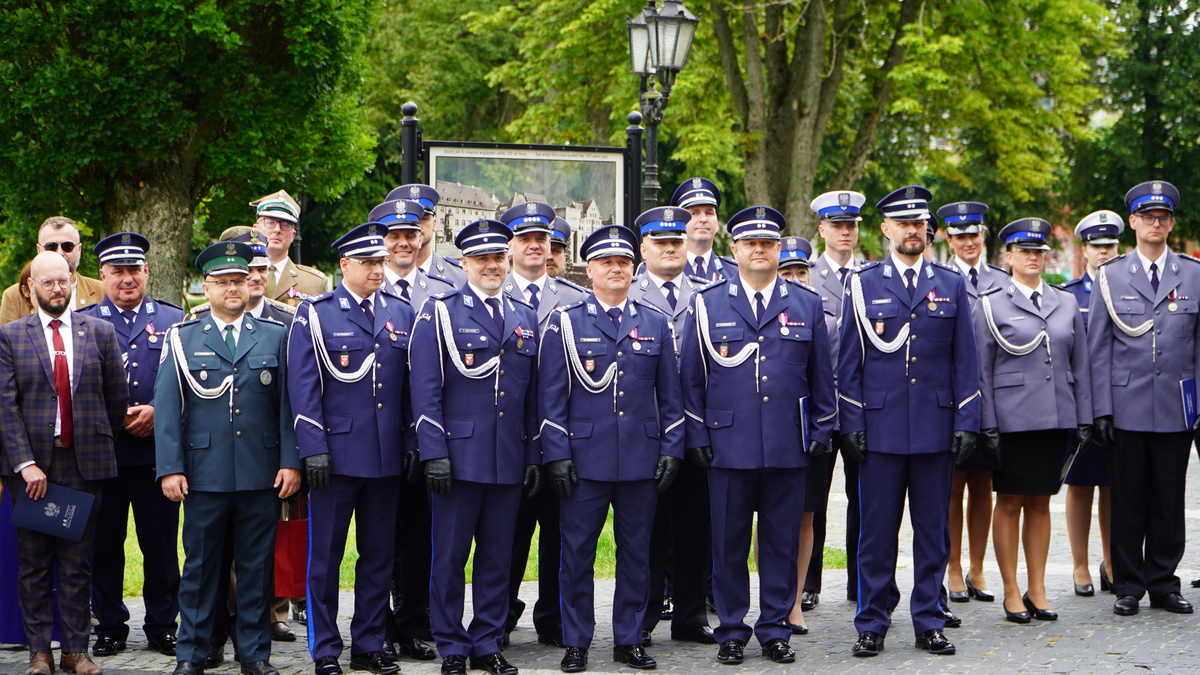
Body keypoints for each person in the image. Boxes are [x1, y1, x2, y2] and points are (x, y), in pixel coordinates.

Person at [680, 206, 836, 666]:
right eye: (750, 243)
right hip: (728, 444)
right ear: (735, 250)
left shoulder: (805, 303)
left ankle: (774, 628)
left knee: (780, 543)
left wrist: (821, 428)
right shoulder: (708, 303)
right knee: (728, 543)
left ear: (779, 249)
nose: (759, 250)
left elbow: (821, 376)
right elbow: (691, 377)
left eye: (768, 243)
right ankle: (731, 629)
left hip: (788, 443)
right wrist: (697, 434)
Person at [838, 186, 980, 657]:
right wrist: (852, 421)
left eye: (918, 223)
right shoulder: (863, 284)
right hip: (879, 429)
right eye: (903, 223)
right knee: (876, 534)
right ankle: (872, 622)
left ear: (928, 230)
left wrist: (966, 419)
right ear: (886, 229)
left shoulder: (951, 284)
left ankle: (929, 620)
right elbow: (848, 362)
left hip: (935, 427)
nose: (912, 231)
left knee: (933, 533)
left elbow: (965, 359)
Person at [541, 225, 683, 673]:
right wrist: (557, 453)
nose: (616, 269)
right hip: (584, 459)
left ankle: (629, 638)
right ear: (590, 270)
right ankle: (576, 641)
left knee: (637, 553)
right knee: (576, 555)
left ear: (633, 269)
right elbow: (551, 398)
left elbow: (671, 397)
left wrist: (672, 448)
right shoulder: (567, 321)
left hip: (641, 457)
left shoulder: (655, 322)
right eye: (606, 262)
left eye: (623, 262)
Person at [155, 241, 301, 675]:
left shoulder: (275, 335)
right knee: (200, 569)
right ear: (206, 287)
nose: (233, 288)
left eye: (240, 280)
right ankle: (192, 653)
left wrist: (290, 461)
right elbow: (168, 410)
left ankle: (254, 654)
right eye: (223, 282)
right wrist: (170, 468)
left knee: (257, 568)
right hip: (204, 474)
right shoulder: (183, 337)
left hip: (261, 472)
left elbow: (288, 407)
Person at [408, 219, 541, 675]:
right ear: (463, 262)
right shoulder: (440, 312)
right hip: (457, 457)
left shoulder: (524, 316)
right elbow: (425, 391)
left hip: (507, 457)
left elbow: (530, 397)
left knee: (498, 558)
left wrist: (532, 454)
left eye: (498, 257)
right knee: (449, 557)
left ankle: (487, 641)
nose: (491, 266)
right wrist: (434, 453)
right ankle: (451, 644)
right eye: (481, 258)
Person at [289, 223, 416, 675]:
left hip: (384, 455)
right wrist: (313, 448)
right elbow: (303, 387)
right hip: (336, 456)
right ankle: (325, 647)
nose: (377, 269)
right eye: (368, 262)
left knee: (379, 556)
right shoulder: (317, 313)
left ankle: (368, 643)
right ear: (345, 265)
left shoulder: (401, 312)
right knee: (325, 557)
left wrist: (410, 440)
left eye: (381, 261)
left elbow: (409, 388)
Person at [0, 252, 129, 675]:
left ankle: (76, 652)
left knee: (78, 563)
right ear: (30, 288)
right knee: (35, 564)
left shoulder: (101, 332)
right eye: (48, 282)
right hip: (32, 470)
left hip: (84, 464)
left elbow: (116, 400)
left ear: (73, 281)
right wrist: (24, 464)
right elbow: (4, 407)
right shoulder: (10, 337)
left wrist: (92, 442)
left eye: (64, 280)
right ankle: (40, 653)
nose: (57, 288)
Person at [1089, 180, 1200, 617]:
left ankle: (1164, 583)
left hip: (1176, 406)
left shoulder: (1193, 274)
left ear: (1171, 223)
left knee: (1169, 501)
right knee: (1127, 499)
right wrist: (1100, 409)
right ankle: (1128, 585)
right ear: (1133, 222)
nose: (1156, 223)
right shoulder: (1111, 275)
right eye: (1148, 217)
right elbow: (1098, 348)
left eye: (1163, 217)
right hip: (1127, 405)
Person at [975, 218, 1092, 623]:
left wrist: (1084, 416)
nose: (1033, 258)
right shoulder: (990, 304)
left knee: (1042, 503)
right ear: (1007, 256)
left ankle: (1037, 588)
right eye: (1024, 251)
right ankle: (1011, 589)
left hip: (1056, 416)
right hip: (1012, 420)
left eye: (1039, 252)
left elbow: (1080, 364)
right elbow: (981, 371)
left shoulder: (1064, 301)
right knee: (1009, 502)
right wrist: (987, 424)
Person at [79, 234, 184, 658]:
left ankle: (163, 625)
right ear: (102, 275)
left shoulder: (174, 319)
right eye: (117, 271)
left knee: (160, 546)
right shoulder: (85, 321)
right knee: (103, 546)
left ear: (147, 272)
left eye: (134, 270)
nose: (127, 279)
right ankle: (109, 626)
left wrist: (159, 409)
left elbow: (187, 379)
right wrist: (115, 413)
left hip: (156, 455)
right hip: (104, 455)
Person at [497, 201, 586, 649]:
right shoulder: (492, 295)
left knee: (559, 534)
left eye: (542, 240)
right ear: (510, 246)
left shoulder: (574, 299)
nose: (535, 246)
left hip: (560, 438)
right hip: (508, 438)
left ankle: (553, 619)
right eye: (525, 239)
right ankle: (498, 617)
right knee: (507, 536)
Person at [627, 207, 714, 647]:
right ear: (643, 248)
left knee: (696, 526)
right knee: (647, 529)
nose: (670, 249)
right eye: (660, 242)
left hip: (696, 427)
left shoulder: (707, 294)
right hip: (646, 430)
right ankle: (642, 616)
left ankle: (690, 616)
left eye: (676, 241)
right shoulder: (627, 292)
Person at [367, 197, 446, 662]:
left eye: (409, 234)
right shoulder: (359, 287)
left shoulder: (445, 288)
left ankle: (415, 623)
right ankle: (378, 626)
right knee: (379, 539)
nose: (401, 243)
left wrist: (422, 436)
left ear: (421, 238)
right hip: (373, 437)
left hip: (424, 435)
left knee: (418, 536)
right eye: (392, 236)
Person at [935, 201, 1004, 605]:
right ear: (948, 239)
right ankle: (953, 566)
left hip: (993, 397)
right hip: (952, 397)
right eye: (959, 236)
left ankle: (978, 567)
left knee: (983, 485)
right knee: (952, 486)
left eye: (973, 234)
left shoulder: (1001, 279)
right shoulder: (939, 279)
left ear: (983, 235)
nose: (967, 242)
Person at [803, 190, 866, 609]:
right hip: (820, 405)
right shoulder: (806, 275)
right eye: (837, 225)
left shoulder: (872, 276)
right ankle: (809, 583)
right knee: (814, 500)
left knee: (864, 499)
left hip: (861, 405)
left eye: (851, 225)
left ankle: (860, 582)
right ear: (821, 229)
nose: (845, 232)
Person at [1062, 210, 1122, 596]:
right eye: (1096, 246)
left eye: (1110, 246)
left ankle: (1112, 561)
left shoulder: (1127, 288)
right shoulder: (1069, 294)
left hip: (1119, 402)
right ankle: (1080, 565)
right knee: (1081, 484)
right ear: (1084, 251)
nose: (1104, 252)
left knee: (1113, 485)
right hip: (1081, 404)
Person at [773, 235, 825, 634]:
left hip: (808, 429)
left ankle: (794, 601)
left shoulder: (814, 308)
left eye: (800, 271)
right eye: (786, 272)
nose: (794, 278)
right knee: (769, 520)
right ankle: (772, 598)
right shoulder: (766, 309)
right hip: (773, 429)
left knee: (806, 516)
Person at [0, 217, 106, 326]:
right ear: (39, 250)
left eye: (67, 246)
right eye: (51, 247)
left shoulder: (103, 291)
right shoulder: (14, 297)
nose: (60, 253)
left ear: (79, 249)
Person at [251, 190, 329, 306]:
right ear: (255, 229)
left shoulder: (315, 283)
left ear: (293, 235)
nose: (277, 230)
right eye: (270, 222)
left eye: (285, 224)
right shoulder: (238, 276)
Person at [387, 184, 467, 287]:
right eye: (409, 220)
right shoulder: (376, 277)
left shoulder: (459, 276)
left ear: (434, 224)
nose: (417, 226)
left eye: (423, 218)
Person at [673, 178, 737, 281]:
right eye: (694, 213)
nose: (703, 219)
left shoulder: (735, 272)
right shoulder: (665, 269)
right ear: (680, 222)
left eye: (709, 213)